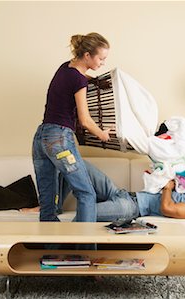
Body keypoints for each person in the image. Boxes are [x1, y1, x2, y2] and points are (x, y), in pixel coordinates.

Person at [32, 33, 112, 222]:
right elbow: (85, 120)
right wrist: (102, 135)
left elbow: (76, 76)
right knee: (86, 194)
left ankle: (51, 250)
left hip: (40, 138)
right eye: (101, 58)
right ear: (87, 55)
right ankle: (85, 250)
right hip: (59, 141)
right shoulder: (79, 81)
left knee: (48, 202)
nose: (103, 63)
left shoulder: (65, 67)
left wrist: (94, 81)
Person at [22, 161, 185, 221]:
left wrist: (168, 187)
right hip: (123, 193)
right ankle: (53, 206)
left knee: (83, 214)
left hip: (130, 208)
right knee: (76, 163)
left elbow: (168, 209)